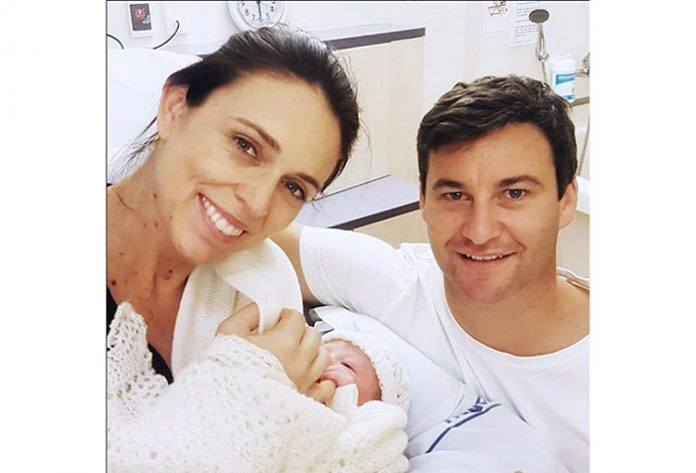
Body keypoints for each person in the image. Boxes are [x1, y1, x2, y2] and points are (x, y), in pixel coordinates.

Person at [273, 75, 590, 473]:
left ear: (566, 200)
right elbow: (246, 229)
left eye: (514, 194)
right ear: (423, 200)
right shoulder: (394, 283)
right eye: (455, 196)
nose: (479, 231)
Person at [107, 25, 359, 465]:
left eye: (294, 188)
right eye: (245, 145)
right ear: (174, 109)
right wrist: (243, 390)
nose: (258, 202)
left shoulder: (261, 288)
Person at [108, 302, 410, 472]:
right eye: (323, 353)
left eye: (348, 367)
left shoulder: (367, 421)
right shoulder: (270, 389)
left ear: (376, 400)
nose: (325, 364)